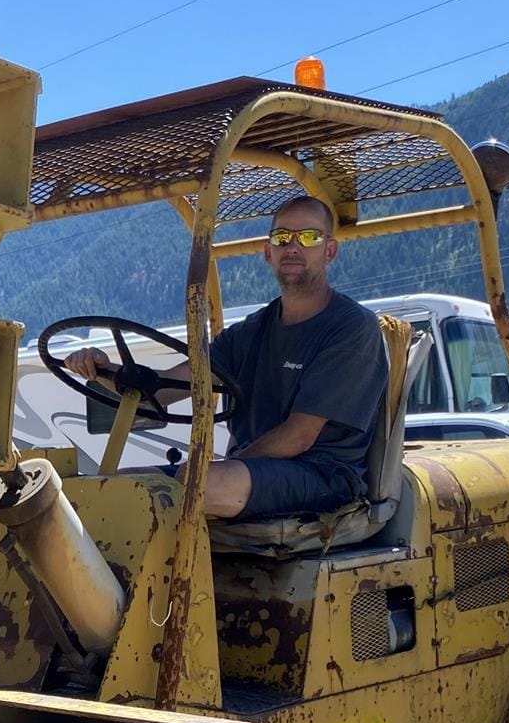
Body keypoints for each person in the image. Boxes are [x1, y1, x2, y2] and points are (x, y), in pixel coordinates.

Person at [62, 195, 388, 520]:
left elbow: (300, 435)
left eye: (309, 237)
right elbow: (162, 390)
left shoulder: (351, 328)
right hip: (250, 471)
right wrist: (104, 370)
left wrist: (228, 465)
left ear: (329, 250)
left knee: (200, 484)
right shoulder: (249, 333)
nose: (293, 247)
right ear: (267, 252)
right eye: (282, 237)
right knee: (111, 487)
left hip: (321, 476)